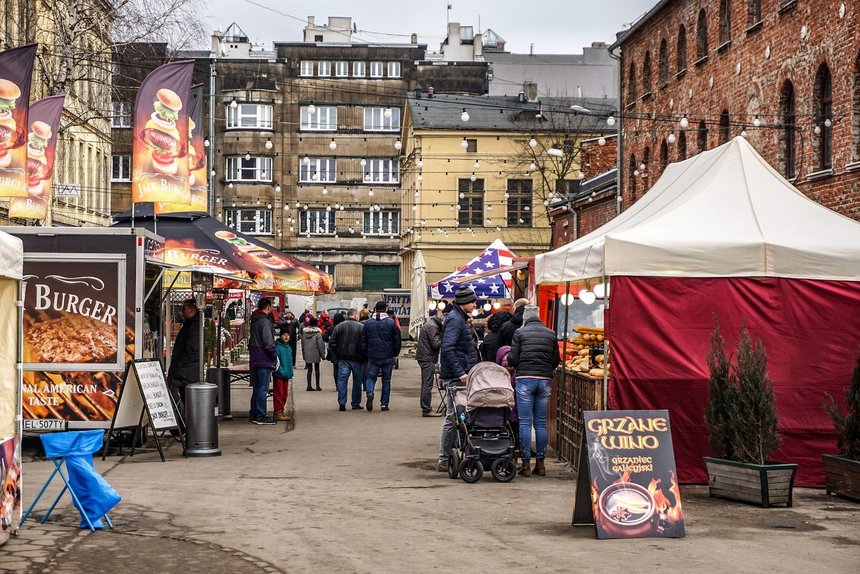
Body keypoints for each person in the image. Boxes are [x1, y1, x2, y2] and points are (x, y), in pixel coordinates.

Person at [508, 305, 560, 477]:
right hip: (544, 380)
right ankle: (541, 463)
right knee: (540, 422)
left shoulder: (520, 333)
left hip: (524, 379)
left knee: (524, 422)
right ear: (539, 317)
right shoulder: (551, 334)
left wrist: (518, 365)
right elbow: (555, 360)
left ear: (525, 318)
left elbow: (512, 358)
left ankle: (525, 465)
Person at [437, 286, 478, 472]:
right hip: (456, 376)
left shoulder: (459, 318)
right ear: (463, 303)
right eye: (472, 301)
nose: (475, 304)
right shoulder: (455, 320)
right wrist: (461, 372)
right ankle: (444, 459)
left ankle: (451, 454)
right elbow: (448, 348)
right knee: (453, 417)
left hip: (458, 373)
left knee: (458, 416)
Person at [360, 300, 402, 412]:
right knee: (386, 380)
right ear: (385, 309)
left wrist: (366, 353)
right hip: (387, 355)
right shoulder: (391, 323)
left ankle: (369, 392)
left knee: (370, 378)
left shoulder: (368, 323)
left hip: (372, 356)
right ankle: (384, 404)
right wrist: (395, 353)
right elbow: (397, 340)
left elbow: (363, 340)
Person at [167, 298, 200, 426]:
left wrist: (181, 364)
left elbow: (192, 348)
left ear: (191, 309)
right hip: (185, 369)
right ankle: (184, 425)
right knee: (184, 398)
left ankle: (187, 426)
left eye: (184, 308)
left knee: (186, 399)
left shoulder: (194, 325)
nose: (182, 311)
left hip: (186, 371)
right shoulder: (190, 324)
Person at [328, 308, 365, 411]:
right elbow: (364, 343)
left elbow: (332, 343)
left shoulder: (339, 326)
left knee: (342, 380)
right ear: (355, 315)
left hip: (343, 358)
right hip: (358, 358)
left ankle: (342, 402)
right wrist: (364, 356)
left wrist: (337, 354)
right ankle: (355, 403)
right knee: (357, 381)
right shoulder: (361, 327)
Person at [249, 298, 278, 425]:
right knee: (263, 388)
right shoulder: (265, 322)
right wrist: (274, 356)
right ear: (268, 307)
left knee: (256, 388)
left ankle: (254, 413)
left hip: (255, 358)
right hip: (263, 359)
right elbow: (268, 342)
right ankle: (261, 415)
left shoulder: (254, 321)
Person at [415, 311, 444, 417]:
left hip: (424, 356)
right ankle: (426, 409)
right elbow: (436, 344)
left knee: (425, 384)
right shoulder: (433, 327)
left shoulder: (432, 324)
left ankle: (425, 407)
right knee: (427, 384)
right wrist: (445, 337)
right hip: (427, 357)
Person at [273, 327, 294, 422]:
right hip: (279, 374)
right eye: (284, 334)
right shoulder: (277, 347)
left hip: (287, 374)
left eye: (288, 335)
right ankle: (278, 411)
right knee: (279, 393)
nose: (286, 337)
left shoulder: (289, 348)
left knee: (284, 393)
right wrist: (281, 371)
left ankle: (281, 410)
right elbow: (276, 361)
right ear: (280, 335)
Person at [301, 317, 325, 391]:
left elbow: (302, 344)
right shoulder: (318, 333)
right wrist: (323, 355)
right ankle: (317, 385)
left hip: (307, 352)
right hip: (316, 353)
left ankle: (309, 386)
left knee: (309, 369)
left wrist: (304, 354)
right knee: (317, 369)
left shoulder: (304, 333)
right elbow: (320, 345)